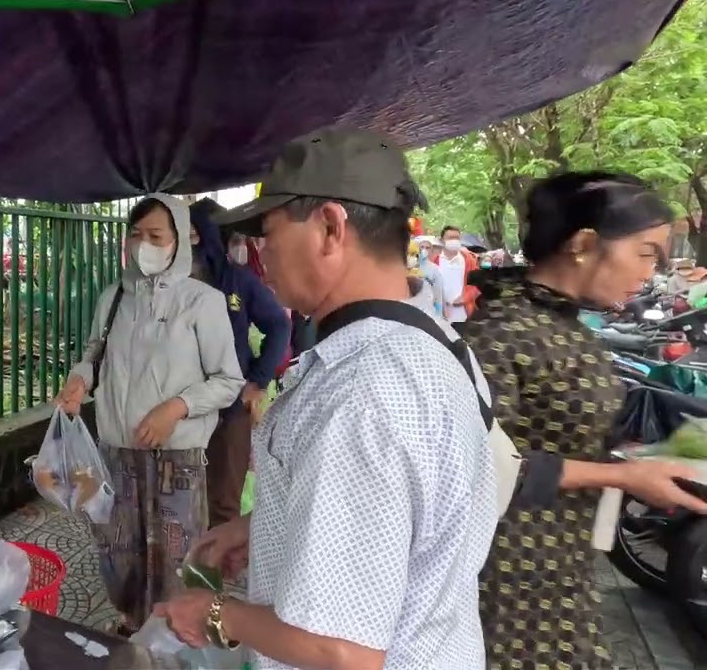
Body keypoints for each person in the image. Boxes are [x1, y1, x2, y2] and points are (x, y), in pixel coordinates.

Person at [157, 126, 499, 670]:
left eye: (268, 230)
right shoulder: (440, 346)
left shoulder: (360, 391)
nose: (260, 251)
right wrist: (267, 526)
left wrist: (217, 613)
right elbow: (408, 516)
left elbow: (341, 650)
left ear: (331, 227)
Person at [459, 171, 707, 669]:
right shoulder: (501, 332)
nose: (653, 270)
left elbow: (561, 439)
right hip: (511, 574)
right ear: (585, 243)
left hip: (561, 564)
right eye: (646, 252)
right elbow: (475, 467)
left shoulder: (563, 323)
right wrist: (620, 475)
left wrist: (654, 460)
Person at [56, 193, 244, 633]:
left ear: (180, 240)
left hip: (175, 460)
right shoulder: (114, 297)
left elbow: (228, 380)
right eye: (135, 234)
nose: (144, 245)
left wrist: (176, 408)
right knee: (119, 551)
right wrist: (81, 379)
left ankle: (175, 641)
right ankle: (131, 628)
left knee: (175, 560)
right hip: (116, 452)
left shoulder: (202, 301)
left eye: (156, 236)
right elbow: (95, 353)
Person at [188, 199, 291, 526]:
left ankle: (208, 574)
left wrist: (257, 381)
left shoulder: (238, 281)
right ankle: (180, 572)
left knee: (223, 501)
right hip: (181, 408)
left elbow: (279, 324)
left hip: (230, 410)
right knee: (179, 500)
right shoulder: (173, 284)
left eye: (195, 234)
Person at [435, 224, 480, 324]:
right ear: (442, 240)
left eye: (457, 238)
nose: (454, 241)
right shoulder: (434, 260)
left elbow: (477, 285)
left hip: (463, 314)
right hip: (440, 315)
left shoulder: (469, 260)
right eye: (450, 238)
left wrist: (465, 297)